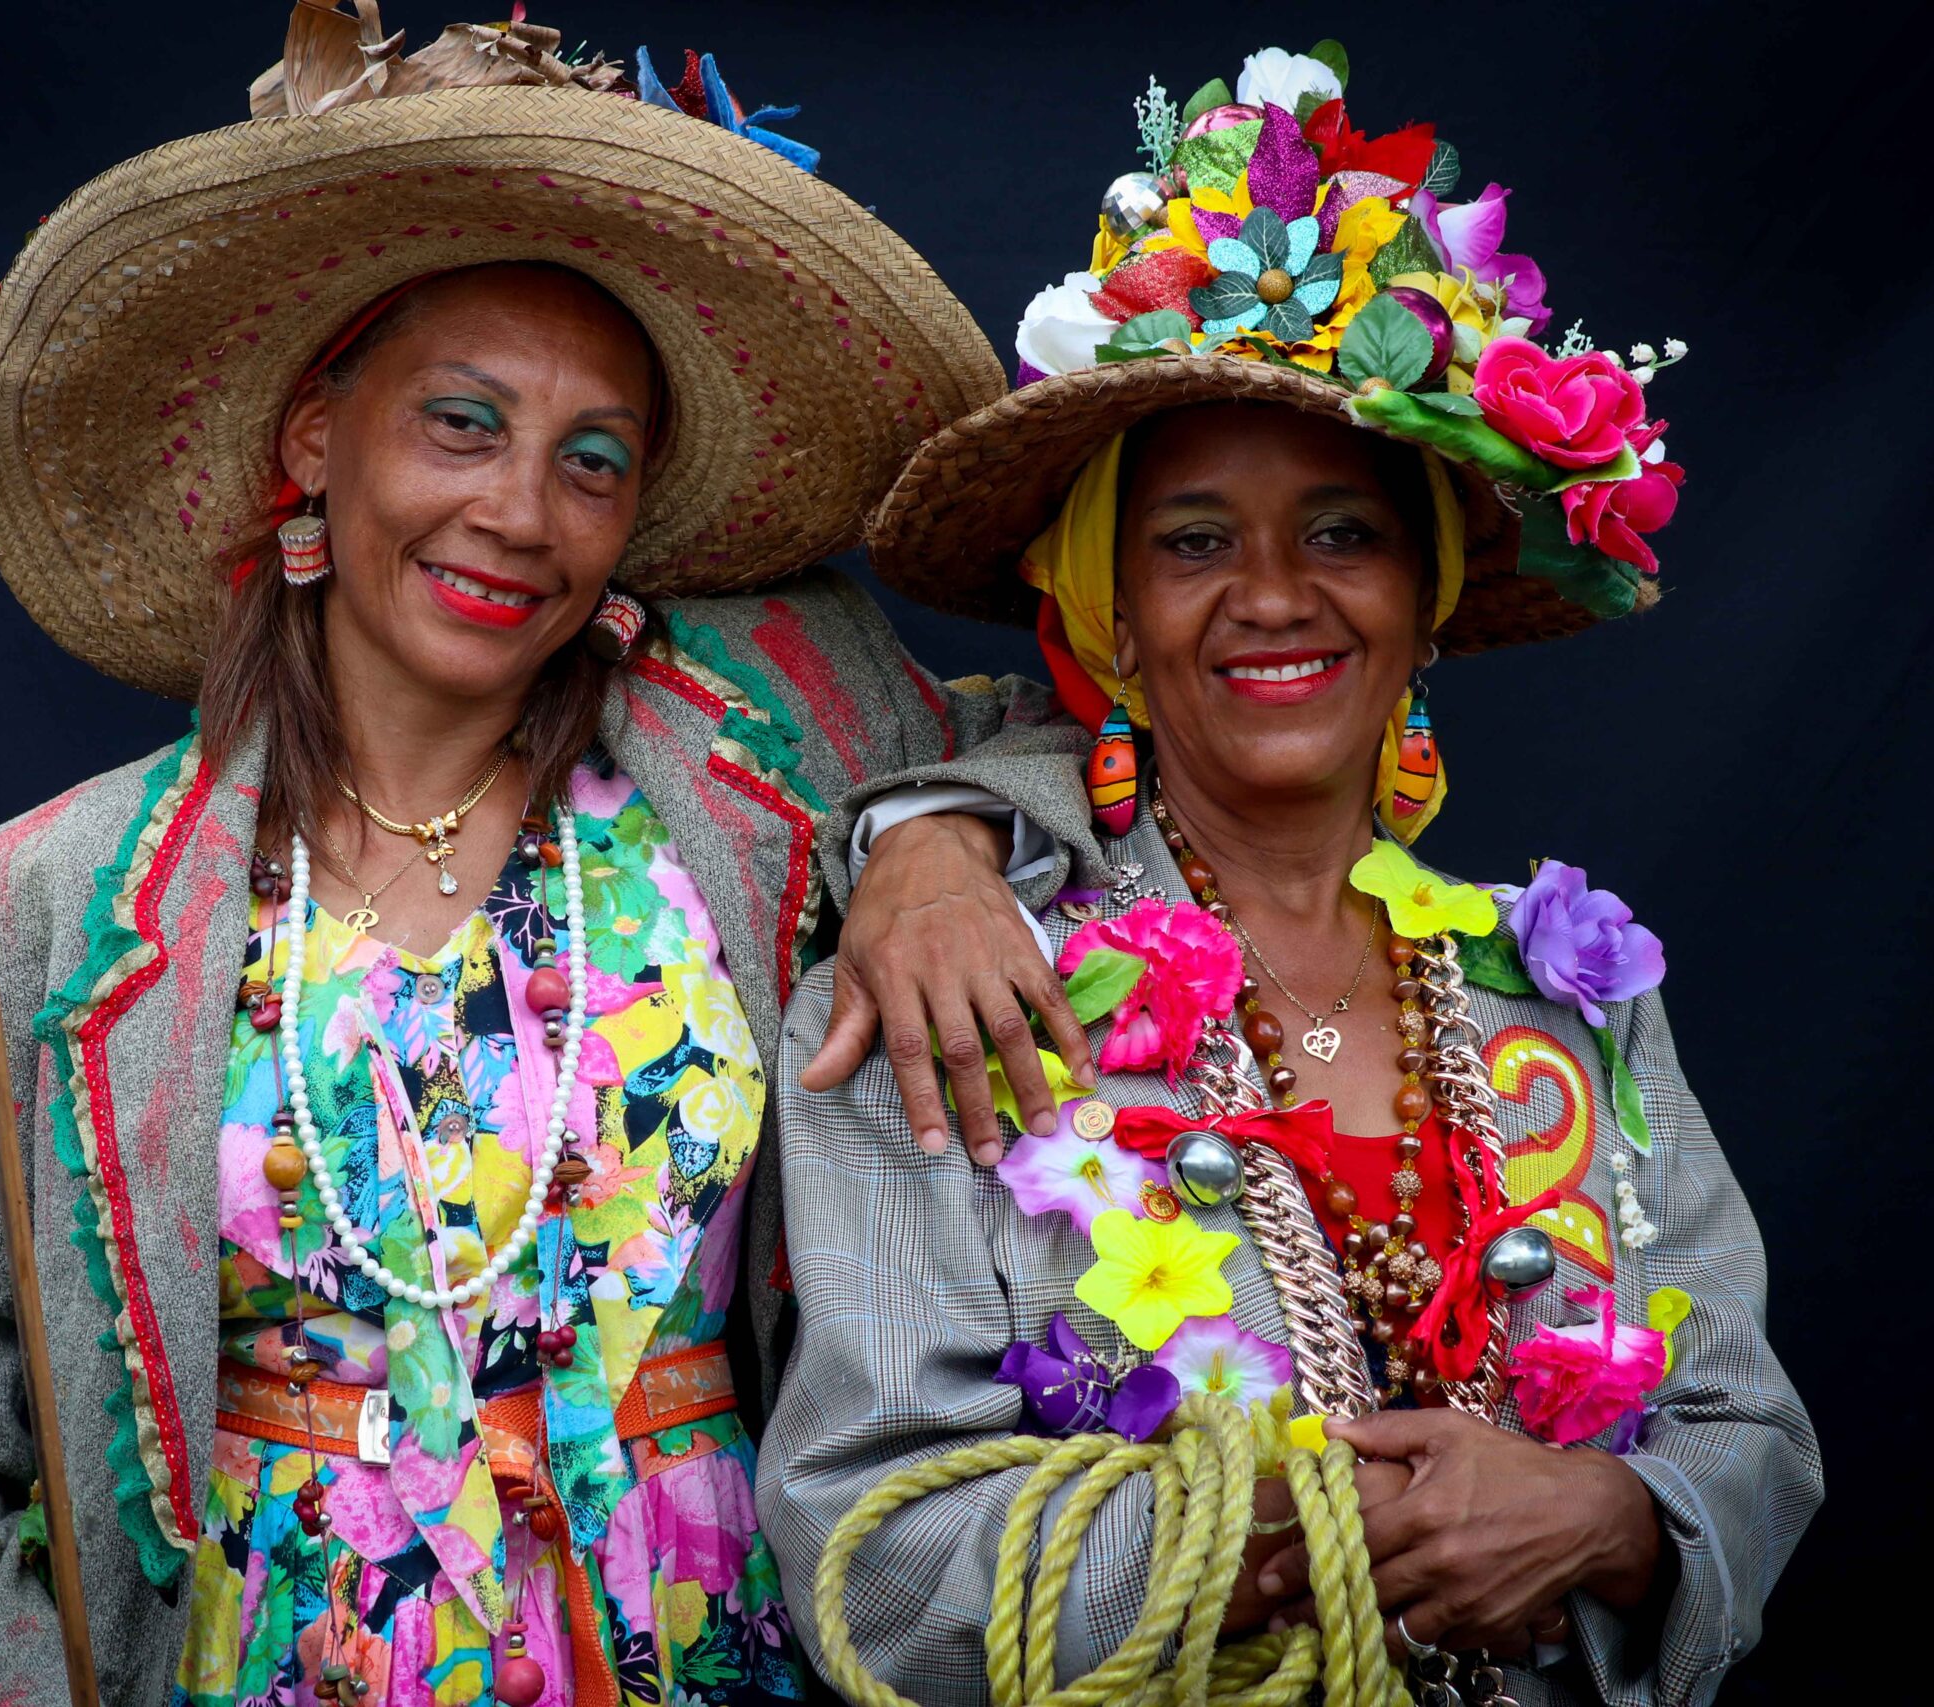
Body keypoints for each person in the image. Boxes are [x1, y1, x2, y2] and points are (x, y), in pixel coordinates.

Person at [0, 13, 1094, 1705]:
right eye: (462, 425)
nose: (522, 513)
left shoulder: (773, 760)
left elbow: (1099, 723)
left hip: (722, 1655)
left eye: (593, 460)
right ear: (312, 447)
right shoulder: (12, 919)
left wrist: (931, 833)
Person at [763, 42, 1820, 1707]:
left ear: (1426, 592)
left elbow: (1749, 1432)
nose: (1273, 595)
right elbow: (869, 1562)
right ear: (1109, 607)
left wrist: (1617, 1521)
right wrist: (1271, 1527)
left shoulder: (1568, 993)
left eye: (1342, 531)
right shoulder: (938, 994)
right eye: (1193, 540)